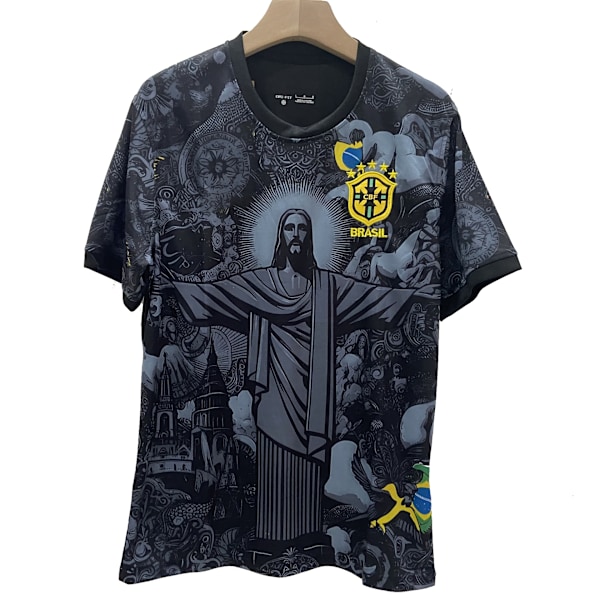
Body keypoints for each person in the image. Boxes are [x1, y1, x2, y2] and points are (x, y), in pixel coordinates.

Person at [168, 208, 437, 563]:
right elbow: (220, 294)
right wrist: (173, 285)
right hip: (274, 390)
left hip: (313, 392)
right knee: (275, 458)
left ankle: (309, 535)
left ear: (309, 237)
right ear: (281, 236)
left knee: (310, 462)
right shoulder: (262, 283)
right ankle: (270, 536)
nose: (295, 234)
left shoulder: (327, 286)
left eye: (301, 229)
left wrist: (414, 295)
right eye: (289, 228)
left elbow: (368, 296)